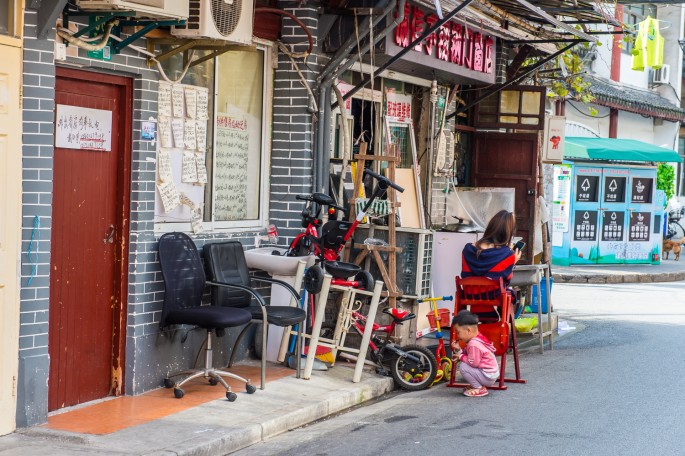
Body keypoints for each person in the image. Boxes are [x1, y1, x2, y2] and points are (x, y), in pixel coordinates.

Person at [461, 209, 522, 317]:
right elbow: (506, 280)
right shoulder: (506, 254)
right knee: (510, 294)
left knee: (486, 291)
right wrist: (513, 261)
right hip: (492, 295)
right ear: (507, 233)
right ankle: (496, 319)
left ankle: (485, 316)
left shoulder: (467, 249)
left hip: (469, 294)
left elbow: (465, 274)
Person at [450, 310, 499, 397]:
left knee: (463, 367)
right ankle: (477, 385)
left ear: (469, 330)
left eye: (458, 332)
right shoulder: (477, 338)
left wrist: (461, 356)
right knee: (465, 365)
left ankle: (479, 388)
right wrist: (459, 349)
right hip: (489, 374)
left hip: (487, 376)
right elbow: (470, 355)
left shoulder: (473, 344)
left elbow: (473, 363)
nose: (457, 336)